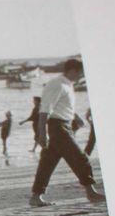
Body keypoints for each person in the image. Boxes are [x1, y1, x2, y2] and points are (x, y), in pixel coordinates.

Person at [29, 59, 105, 207]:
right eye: (80, 72)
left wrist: (75, 117)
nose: (82, 76)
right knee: (81, 158)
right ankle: (91, 193)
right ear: (72, 70)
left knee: (47, 163)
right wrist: (42, 134)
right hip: (58, 128)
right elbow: (45, 109)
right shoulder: (57, 84)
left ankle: (36, 197)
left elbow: (62, 106)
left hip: (64, 125)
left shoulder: (67, 84)